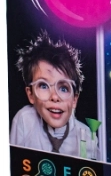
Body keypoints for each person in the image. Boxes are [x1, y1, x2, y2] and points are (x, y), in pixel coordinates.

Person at [10, 31, 99, 159]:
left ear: (74, 99)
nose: (55, 97)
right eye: (44, 86)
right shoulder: (24, 120)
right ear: (30, 94)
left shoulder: (86, 136)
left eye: (63, 88)